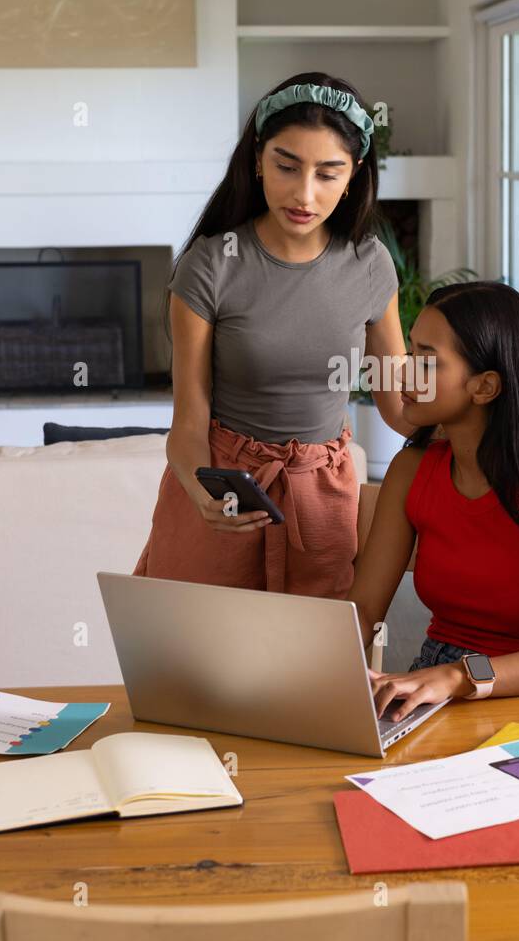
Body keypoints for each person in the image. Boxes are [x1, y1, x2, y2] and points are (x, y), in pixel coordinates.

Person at [134, 72, 410, 596]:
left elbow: (397, 403)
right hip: (223, 486)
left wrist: (479, 429)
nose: (305, 194)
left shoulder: (370, 265)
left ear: (352, 177)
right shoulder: (210, 265)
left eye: (329, 174)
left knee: (311, 665)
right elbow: (189, 421)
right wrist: (201, 492)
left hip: (321, 498)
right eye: (287, 166)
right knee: (200, 662)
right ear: (257, 160)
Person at [344, 280, 519, 720]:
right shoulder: (411, 470)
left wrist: (460, 676)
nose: (402, 373)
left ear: (484, 387)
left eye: (426, 360)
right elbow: (363, 611)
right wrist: (304, 665)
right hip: (435, 683)